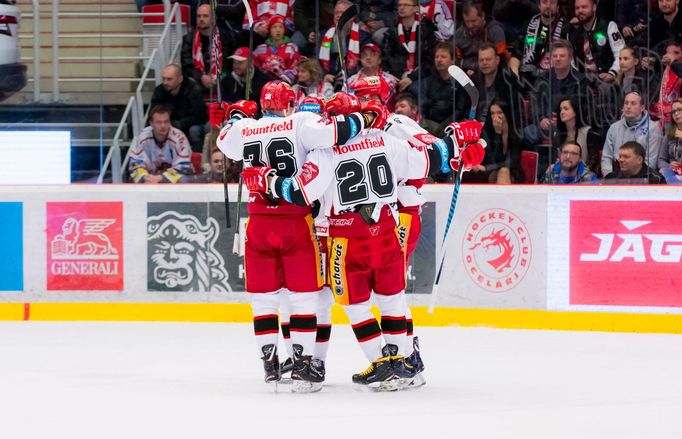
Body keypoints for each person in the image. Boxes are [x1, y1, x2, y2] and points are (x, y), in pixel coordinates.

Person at [241, 91, 485, 390]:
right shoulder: (386, 140)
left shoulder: (326, 152)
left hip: (345, 237)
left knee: (349, 305)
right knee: (392, 301)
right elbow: (431, 160)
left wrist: (267, 180)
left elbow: (305, 192)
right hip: (385, 230)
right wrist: (460, 144)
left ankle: (373, 362)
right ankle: (405, 363)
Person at [211, 81, 379, 392]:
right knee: (304, 297)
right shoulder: (300, 122)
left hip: (258, 222)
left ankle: (270, 363)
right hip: (294, 220)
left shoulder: (246, 128)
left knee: (263, 300)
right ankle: (302, 363)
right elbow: (336, 133)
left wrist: (235, 115)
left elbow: (224, 140)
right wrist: (364, 117)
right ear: (290, 104)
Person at [601, 91, 664, 176]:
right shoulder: (614, 128)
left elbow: (651, 162)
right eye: (626, 103)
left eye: (633, 103)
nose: (628, 106)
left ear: (642, 107)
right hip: (616, 177)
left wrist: (635, 179)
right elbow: (606, 157)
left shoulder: (653, 129)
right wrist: (609, 177)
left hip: (641, 178)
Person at [129, 105, 194, 184]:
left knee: (184, 179)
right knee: (134, 179)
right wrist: (145, 177)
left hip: (174, 179)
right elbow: (135, 165)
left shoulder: (179, 138)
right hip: (150, 177)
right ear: (151, 123)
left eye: (166, 122)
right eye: (159, 122)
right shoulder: (142, 138)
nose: (163, 126)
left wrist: (161, 178)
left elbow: (184, 167)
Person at [150, 64, 208, 152]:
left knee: (194, 130)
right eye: (163, 79)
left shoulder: (193, 89)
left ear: (180, 79)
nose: (165, 82)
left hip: (192, 124)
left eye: (169, 79)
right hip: (169, 124)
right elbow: (153, 113)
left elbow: (198, 116)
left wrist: (176, 124)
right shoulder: (159, 90)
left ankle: (197, 157)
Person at [508, 0, 569, 80]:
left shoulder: (566, 28)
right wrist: (514, 73)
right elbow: (517, 51)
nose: (548, 6)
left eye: (552, 3)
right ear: (539, 6)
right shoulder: (529, 25)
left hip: (555, 77)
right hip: (528, 76)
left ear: (558, 7)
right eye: (544, 2)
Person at [568, 0, 624, 83]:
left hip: (607, 80)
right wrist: (578, 78)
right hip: (582, 81)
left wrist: (612, 73)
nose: (580, 10)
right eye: (577, 8)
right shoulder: (572, 32)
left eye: (584, 7)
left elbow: (621, 53)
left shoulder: (609, 26)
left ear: (594, 7)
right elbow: (571, 61)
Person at [472, 99, 524, 184]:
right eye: (492, 113)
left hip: (513, 170)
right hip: (493, 168)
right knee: (499, 173)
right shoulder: (487, 131)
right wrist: (498, 134)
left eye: (499, 113)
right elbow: (494, 159)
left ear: (506, 114)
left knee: (503, 172)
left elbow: (511, 162)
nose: (496, 116)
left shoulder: (516, 133)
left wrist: (486, 168)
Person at [552, 96, 603, 175]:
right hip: (562, 175)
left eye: (566, 109)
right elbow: (555, 159)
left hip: (584, 176)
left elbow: (594, 161)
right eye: (561, 109)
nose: (562, 112)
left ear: (575, 111)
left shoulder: (587, 133)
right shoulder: (557, 135)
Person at [454, 1, 506, 75]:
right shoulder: (459, 33)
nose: (470, 25)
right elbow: (456, 59)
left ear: (482, 16)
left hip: (489, 72)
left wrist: (477, 72)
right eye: (467, 21)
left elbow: (501, 59)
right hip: (464, 74)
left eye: (473, 21)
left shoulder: (496, 31)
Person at [180, 4, 220, 95]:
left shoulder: (223, 37)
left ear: (213, 18)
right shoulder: (189, 38)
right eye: (198, 16)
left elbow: (227, 61)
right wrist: (201, 77)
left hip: (220, 79)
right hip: (197, 80)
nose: (201, 19)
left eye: (205, 16)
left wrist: (216, 76)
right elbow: (186, 65)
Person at [253, 15, 301, 84]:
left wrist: (286, 77)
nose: (278, 30)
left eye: (281, 27)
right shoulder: (260, 49)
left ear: (284, 30)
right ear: (269, 30)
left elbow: (295, 67)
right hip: (263, 84)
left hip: (283, 84)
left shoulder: (291, 48)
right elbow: (254, 68)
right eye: (274, 27)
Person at [347, 44, 398, 108]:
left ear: (380, 60)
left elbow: (390, 103)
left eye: (373, 54)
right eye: (364, 55)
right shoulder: (351, 81)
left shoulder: (390, 80)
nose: (368, 57)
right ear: (360, 59)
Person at [658, 97, 682, 184]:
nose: (676, 113)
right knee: (664, 170)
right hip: (673, 174)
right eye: (673, 112)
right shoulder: (669, 135)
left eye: (679, 110)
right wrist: (669, 165)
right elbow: (660, 160)